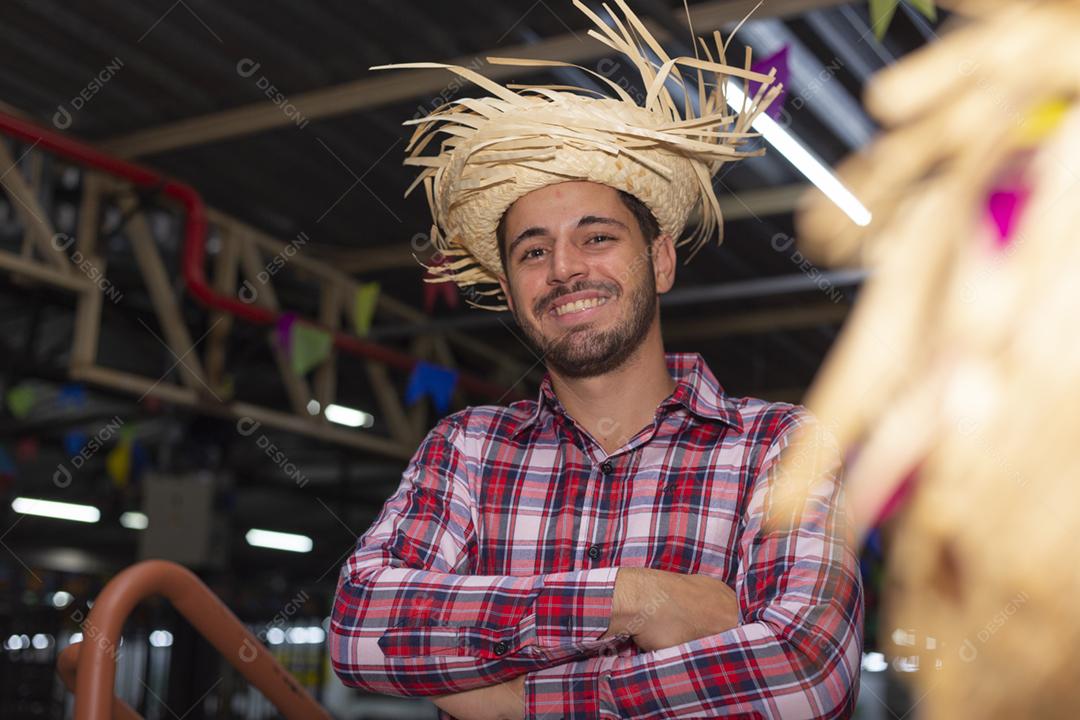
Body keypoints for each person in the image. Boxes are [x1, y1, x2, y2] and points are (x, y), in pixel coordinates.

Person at [330, 2, 862, 718]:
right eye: (532, 251)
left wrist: (519, 701)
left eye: (597, 237)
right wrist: (638, 600)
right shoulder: (467, 449)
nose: (564, 269)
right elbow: (361, 628)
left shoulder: (777, 446)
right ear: (513, 290)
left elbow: (806, 673)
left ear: (661, 260)